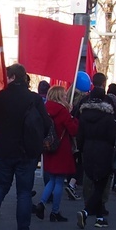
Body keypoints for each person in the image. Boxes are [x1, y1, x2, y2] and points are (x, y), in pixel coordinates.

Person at [0, 63, 51, 230]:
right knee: (24, 192)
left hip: (4, 150)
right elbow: (46, 124)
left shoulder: (0, 97)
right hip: (27, 151)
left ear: (12, 78)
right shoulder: (33, 99)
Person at [75, 86, 116, 229]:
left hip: (88, 150)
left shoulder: (83, 115)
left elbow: (80, 136)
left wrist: (82, 149)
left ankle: (100, 217)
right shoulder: (108, 116)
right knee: (101, 185)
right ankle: (86, 212)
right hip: (104, 151)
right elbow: (111, 137)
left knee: (93, 182)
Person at [35, 86, 78, 222]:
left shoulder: (45, 108)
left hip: (49, 146)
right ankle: (55, 211)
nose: (66, 97)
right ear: (60, 96)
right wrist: (73, 117)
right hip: (61, 148)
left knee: (52, 179)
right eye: (64, 95)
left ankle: (42, 203)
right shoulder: (62, 111)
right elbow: (73, 130)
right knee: (59, 181)